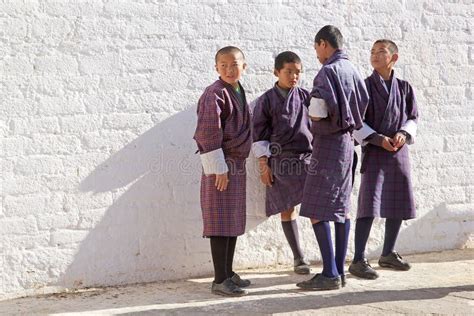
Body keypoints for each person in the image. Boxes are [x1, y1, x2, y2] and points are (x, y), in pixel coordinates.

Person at [296, 25, 369, 291]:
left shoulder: (327, 71)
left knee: (316, 208)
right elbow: (364, 103)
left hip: (328, 144)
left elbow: (318, 111)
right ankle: (339, 271)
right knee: (341, 208)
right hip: (349, 144)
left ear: (324, 44)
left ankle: (329, 272)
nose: (316, 53)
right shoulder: (353, 69)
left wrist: (312, 114)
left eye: (316, 48)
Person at [349, 39, 418, 280]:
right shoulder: (364, 87)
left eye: (381, 52)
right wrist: (378, 139)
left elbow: (412, 117)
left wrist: (403, 133)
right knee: (369, 204)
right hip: (376, 151)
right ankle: (358, 259)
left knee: (397, 202)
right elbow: (355, 122)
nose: (375, 56)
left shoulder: (405, 87)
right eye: (372, 52)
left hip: (399, 151)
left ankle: (388, 253)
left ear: (394, 58)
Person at [193, 46, 252, 296]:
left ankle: (228, 273)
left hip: (235, 164)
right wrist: (219, 169)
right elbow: (208, 132)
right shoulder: (213, 94)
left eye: (235, 64)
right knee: (219, 221)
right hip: (221, 165)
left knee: (232, 219)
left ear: (244, 66)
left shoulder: (238, 90)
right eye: (224, 65)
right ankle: (219, 280)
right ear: (216, 67)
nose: (230, 69)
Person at [252, 51, 313, 274]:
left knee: (316, 207)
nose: (294, 76)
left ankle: (327, 255)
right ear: (276, 72)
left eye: (297, 72)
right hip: (280, 161)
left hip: (307, 159)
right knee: (287, 209)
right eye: (289, 72)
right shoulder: (266, 100)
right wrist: (263, 165)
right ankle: (298, 257)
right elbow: (259, 135)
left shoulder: (306, 97)